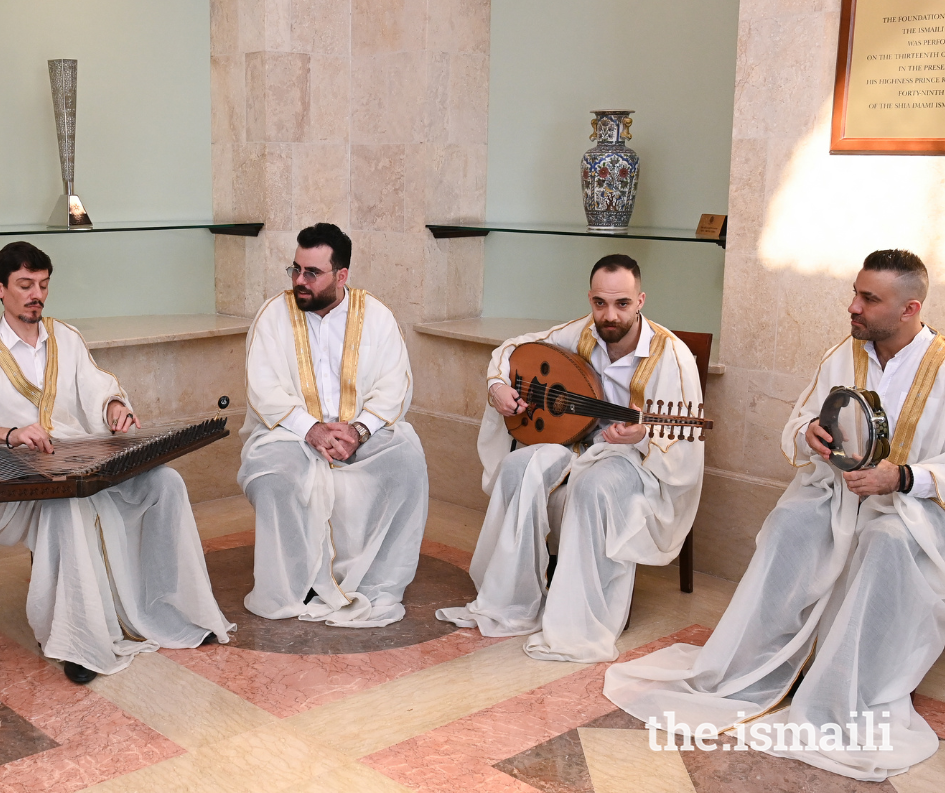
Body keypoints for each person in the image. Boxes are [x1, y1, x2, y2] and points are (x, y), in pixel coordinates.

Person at [605, 249, 945, 782]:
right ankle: (753, 666)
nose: (852, 306)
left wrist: (901, 477)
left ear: (909, 309)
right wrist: (809, 436)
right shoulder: (844, 354)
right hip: (837, 495)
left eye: (868, 299)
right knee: (790, 524)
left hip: (916, 511)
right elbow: (799, 423)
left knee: (886, 542)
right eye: (855, 292)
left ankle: (846, 691)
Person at [0, 242, 231, 684]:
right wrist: (10, 435)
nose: (36, 295)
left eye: (43, 285)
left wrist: (113, 410)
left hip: (83, 457)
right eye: (25, 285)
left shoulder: (65, 338)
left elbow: (98, 387)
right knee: (68, 505)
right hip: (25, 477)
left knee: (167, 483)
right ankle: (81, 643)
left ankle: (173, 608)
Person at [438, 254, 704, 662]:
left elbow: (682, 442)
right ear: (590, 299)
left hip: (637, 462)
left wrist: (643, 435)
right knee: (517, 467)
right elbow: (511, 350)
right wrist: (496, 385)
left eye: (621, 304)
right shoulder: (581, 333)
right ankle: (511, 601)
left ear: (641, 301)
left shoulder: (672, 356)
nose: (609, 315)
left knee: (593, 486)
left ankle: (580, 620)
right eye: (600, 303)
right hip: (577, 446)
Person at [239, 223, 429, 627]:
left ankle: (374, 579)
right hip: (288, 433)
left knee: (407, 458)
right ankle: (295, 583)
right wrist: (311, 429)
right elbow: (263, 388)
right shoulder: (273, 314)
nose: (299, 281)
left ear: (341, 275)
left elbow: (395, 385)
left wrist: (359, 431)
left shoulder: (376, 316)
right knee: (274, 476)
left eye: (311, 273)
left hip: (357, 435)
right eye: (295, 269)